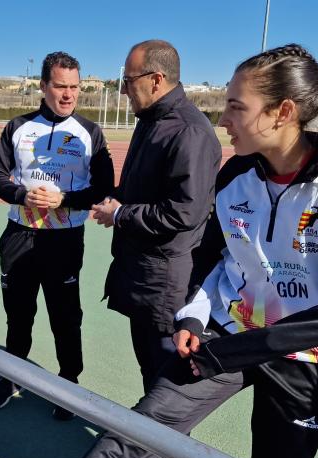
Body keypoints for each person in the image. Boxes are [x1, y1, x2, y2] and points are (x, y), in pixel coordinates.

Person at [66, 44, 318, 458]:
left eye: (235, 107)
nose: (222, 119)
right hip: (224, 336)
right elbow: (212, 255)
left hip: (305, 360)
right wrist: (192, 316)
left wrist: (235, 350)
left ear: (282, 112)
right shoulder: (235, 174)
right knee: (128, 441)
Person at [0, 51, 114, 420]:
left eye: (74, 86)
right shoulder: (17, 127)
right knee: (18, 315)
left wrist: (66, 200)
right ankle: (11, 377)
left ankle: (68, 383)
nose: (69, 94)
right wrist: (23, 195)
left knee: (65, 316)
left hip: (63, 242)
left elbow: (104, 187)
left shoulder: (90, 132)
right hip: (19, 235)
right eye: (60, 86)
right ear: (43, 86)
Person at [92, 39, 221, 392]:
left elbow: (185, 211)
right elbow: (139, 190)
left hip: (165, 286)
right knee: (150, 374)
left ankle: (165, 449)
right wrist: (112, 203)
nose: (123, 91)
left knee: (165, 387)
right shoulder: (150, 121)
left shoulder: (189, 131)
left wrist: (121, 215)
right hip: (143, 277)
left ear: (156, 79)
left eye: (128, 81)